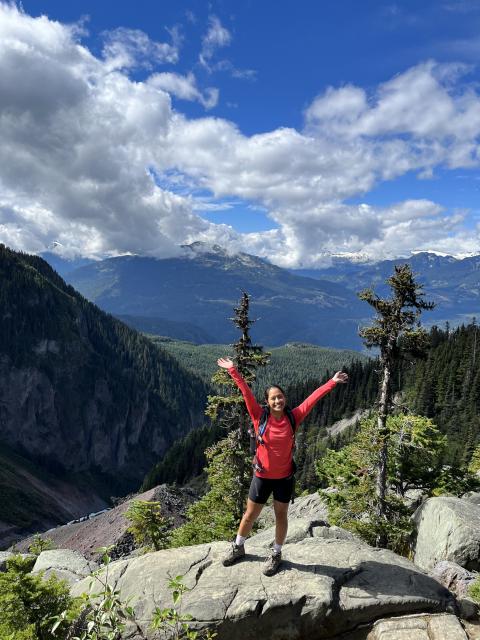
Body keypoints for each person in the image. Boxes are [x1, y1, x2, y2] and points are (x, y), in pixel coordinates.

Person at [217, 357, 348, 576]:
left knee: (281, 516)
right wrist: (232, 370)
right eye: (273, 398)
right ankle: (238, 547)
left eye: (280, 397)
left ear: (284, 399)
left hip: (284, 478)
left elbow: (312, 399)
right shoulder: (260, 417)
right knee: (250, 515)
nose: (278, 401)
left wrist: (332, 382)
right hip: (262, 476)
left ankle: (276, 554)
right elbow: (246, 393)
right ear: (267, 402)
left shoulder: (293, 417)